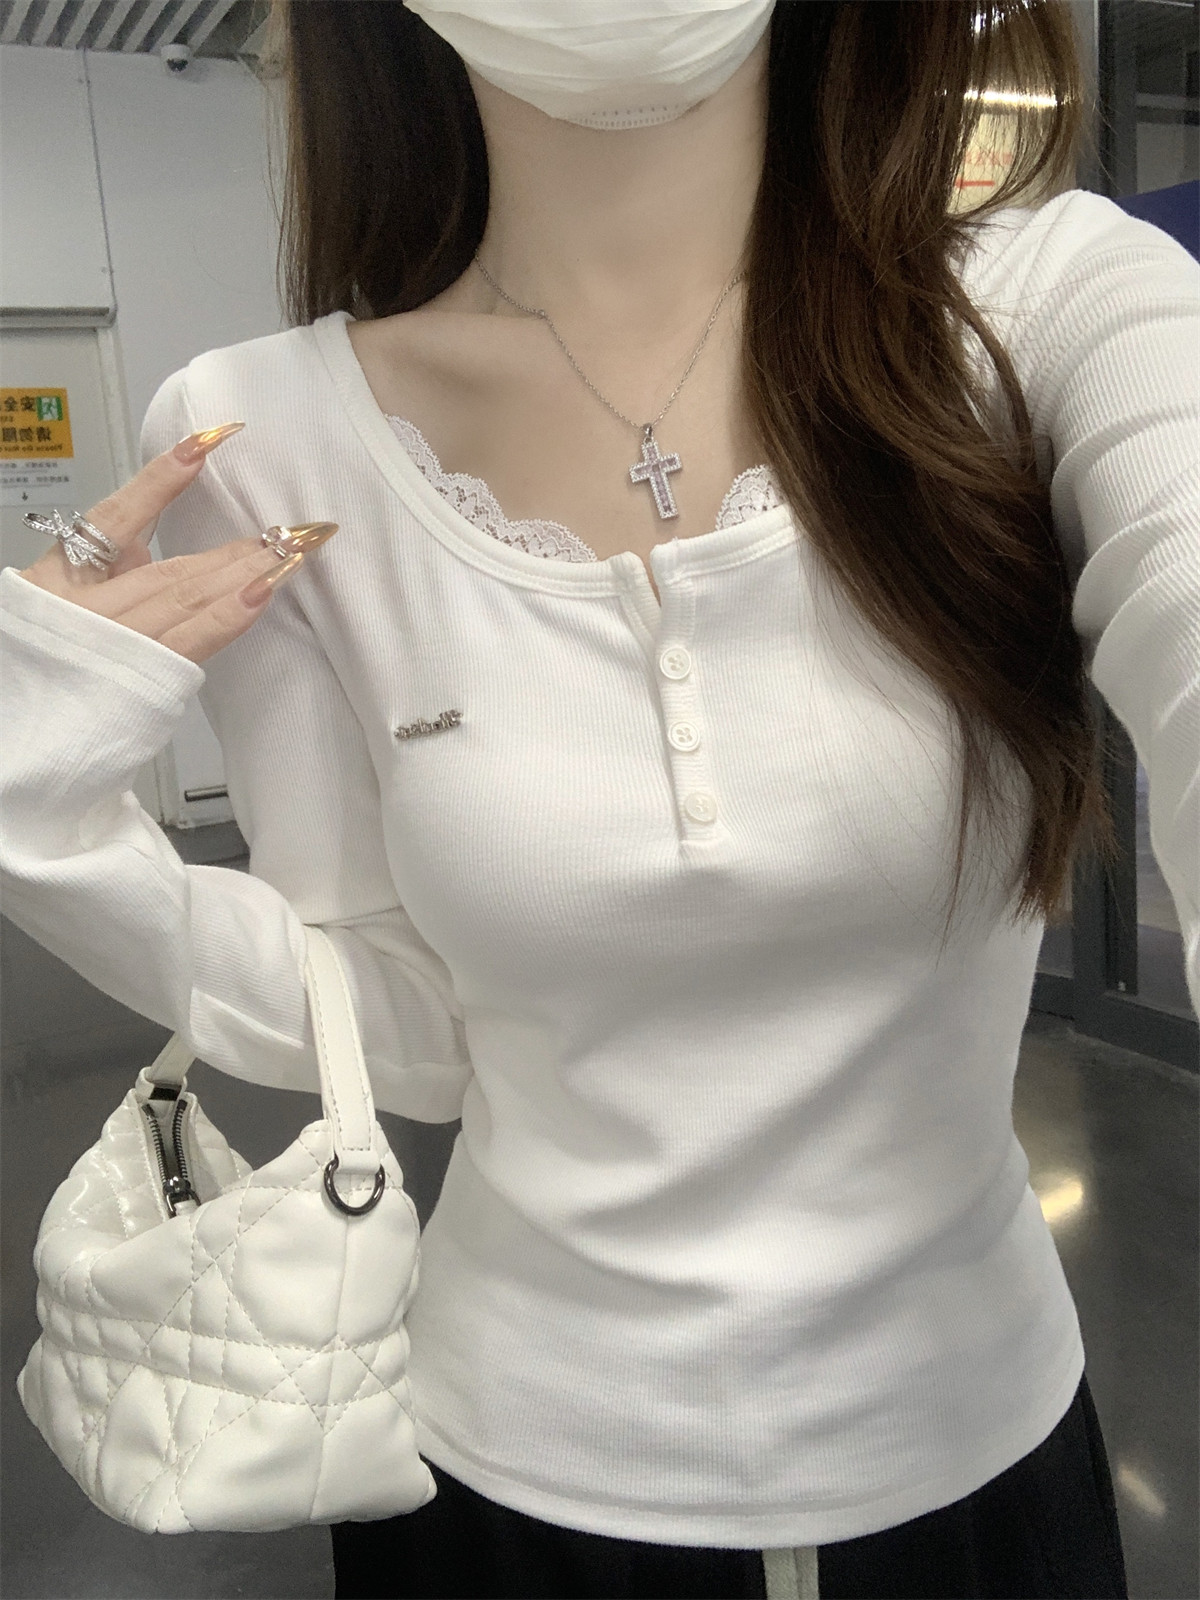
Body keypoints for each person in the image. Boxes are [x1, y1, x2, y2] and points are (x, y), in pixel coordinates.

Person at [2, 1, 1197, 1595]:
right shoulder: (265, 438)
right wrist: (46, 826)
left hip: (981, 1455)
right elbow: (402, 1022)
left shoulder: (1047, 311)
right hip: (513, 1478)